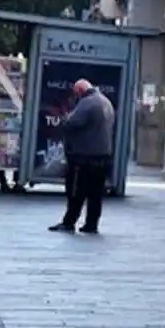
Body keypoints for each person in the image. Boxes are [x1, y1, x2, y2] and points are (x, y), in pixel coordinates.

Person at [48, 79, 115, 234]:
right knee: (96, 194)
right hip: (103, 156)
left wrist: (65, 117)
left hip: (84, 156)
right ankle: (91, 224)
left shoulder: (87, 103)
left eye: (76, 93)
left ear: (79, 91)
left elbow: (71, 124)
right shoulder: (105, 102)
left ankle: (69, 222)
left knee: (76, 191)